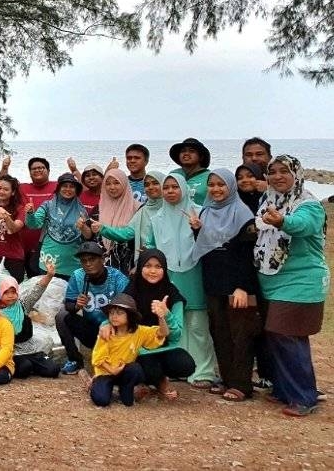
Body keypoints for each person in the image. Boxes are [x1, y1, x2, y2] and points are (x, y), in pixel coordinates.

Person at [97, 173, 217, 388]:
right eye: (167, 187)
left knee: (197, 323)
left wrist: (199, 228)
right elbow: (150, 244)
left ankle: (203, 370)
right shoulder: (156, 217)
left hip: (194, 272)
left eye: (174, 187)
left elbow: (212, 244)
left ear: (183, 189)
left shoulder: (199, 212)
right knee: (173, 320)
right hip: (165, 274)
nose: (170, 191)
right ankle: (177, 367)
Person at [253, 155, 328, 416]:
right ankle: (286, 390)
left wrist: (283, 221)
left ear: (296, 173)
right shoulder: (269, 201)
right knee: (282, 337)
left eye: (284, 171)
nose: (277, 176)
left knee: (286, 336)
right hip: (273, 280)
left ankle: (304, 397)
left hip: (301, 280)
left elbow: (304, 226)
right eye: (272, 172)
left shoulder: (308, 204)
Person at [192, 169, 258, 401]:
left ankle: (242, 384)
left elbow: (248, 253)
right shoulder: (207, 211)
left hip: (236, 282)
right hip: (213, 279)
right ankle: (227, 378)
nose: (216, 189)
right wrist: (196, 229)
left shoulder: (242, 213)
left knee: (240, 332)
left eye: (222, 184)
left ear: (231, 187)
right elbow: (206, 246)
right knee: (219, 331)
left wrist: (243, 286)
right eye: (212, 185)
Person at [122, 250, 194, 399]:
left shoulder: (172, 294)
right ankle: (154, 382)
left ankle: (155, 380)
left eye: (158, 266)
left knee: (186, 364)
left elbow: (176, 334)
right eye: (148, 266)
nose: (153, 271)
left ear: (164, 269)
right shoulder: (131, 291)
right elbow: (116, 318)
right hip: (137, 349)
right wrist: (106, 326)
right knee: (147, 367)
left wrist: (166, 314)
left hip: (163, 347)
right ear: (140, 266)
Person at [55, 242, 130, 375]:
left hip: (115, 331)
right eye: (84, 261)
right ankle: (75, 360)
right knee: (61, 316)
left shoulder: (118, 278)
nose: (88, 264)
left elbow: (128, 309)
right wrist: (77, 305)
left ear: (102, 260)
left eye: (92, 259)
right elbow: (69, 305)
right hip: (92, 331)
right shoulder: (78, 276)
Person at [89, 293, 168, 407]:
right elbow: (98, 358)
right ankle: (95, 384)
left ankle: (125, 390)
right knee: (101, 400)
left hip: (124, 372)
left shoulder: (139, 332)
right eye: (111, 313)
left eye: (119, 313)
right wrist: (112, 370)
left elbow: (163, 333)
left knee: (135, 371)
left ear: (130, 315)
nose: (114, 316)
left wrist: (161, 317)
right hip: (106, 372)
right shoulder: (107, 332)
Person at [0, 267, 61, 379]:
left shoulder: (22, 305)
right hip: (12, 352)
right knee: (24, 368)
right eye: (6, 293)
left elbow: (36, 291)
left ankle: (33, 366)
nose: (10, 295)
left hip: (31, 349)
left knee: (54, 369)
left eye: (13, 292)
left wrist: (49, 276)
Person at [24, 172, 86, 279]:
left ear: (76, 190)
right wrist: (30, 214)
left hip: (72, 263)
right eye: (64, 186)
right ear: (58, 188)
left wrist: (84, 227)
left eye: (72, 187)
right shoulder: (47, 205)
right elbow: (34, 224)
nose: (68, 189)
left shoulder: (81, 210)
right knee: (47, 294)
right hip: (48, 260)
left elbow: (88, 236)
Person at [91, 168, 140, 273]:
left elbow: (135, 235)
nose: (112, 187)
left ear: (124, 183)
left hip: (128, 264)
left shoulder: (137, 208)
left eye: (116, 183)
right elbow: (91, 237)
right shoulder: (99, 208)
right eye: (108, 184)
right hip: (102, 265)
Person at [18, 158, 58, 277]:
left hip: (48, 246)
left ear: (48, 170)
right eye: (34, 168)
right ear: (29, 172)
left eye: (41, 168)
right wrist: (5, 168)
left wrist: (75, 171)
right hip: (23, 245)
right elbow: (2, 185)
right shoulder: (22, 188)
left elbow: (82, 188)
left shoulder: (58, 186)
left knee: (46, 279)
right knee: (27, 280)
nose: (38, 170)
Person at [169, 137, 211, 205]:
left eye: (192, 151)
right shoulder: (174, 174)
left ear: (201, 157)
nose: (186, 153)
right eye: (183, 151)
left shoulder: (209, 177)